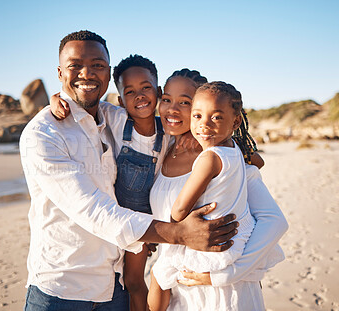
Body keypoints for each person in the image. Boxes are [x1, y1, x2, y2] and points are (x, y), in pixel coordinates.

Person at [20, 30, 237, 311]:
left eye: (97, 65)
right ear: (60, 72)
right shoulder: (43, 134)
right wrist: (176, 233)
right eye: (75, 66)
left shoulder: (113, 117)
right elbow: (93, 210)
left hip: (113, 286)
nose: (87, 73)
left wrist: (231, 146)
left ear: (108, 74)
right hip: (62, 290)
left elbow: (192, 118)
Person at [147, 71, 288, 310]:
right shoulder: (162, 148)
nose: (172, 109)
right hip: (180, 289)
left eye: (185, 102)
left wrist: (230, 274)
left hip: (221, 291)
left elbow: (274, 221)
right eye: (166, 99)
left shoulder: (223, 159)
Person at [50, 54, 171, 311]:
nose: (139, 96)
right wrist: (55, 98)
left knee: (164, 276)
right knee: (132, 281)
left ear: (159, 91)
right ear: (120, 99)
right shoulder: (116, 120)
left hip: (157, 218)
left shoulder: (170, 132)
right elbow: (82, 102)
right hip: (124, 219)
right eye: (130, 91)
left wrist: (246, 153)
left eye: (146, 88)